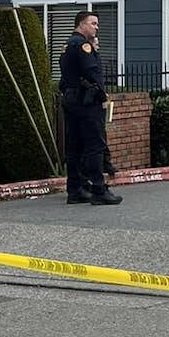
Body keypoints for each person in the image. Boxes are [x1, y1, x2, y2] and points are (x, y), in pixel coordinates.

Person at [60, 11, 121, 206]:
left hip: (71, 100)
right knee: (95, 145)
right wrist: (103, 96)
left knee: (75, 146)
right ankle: (98, 189)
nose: (97, 27)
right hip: (87, 102)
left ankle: (76, 189)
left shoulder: (68, 45)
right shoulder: (83, 46)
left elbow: (66, 76)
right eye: (93, 23)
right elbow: (92, 72)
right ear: (81, 25)